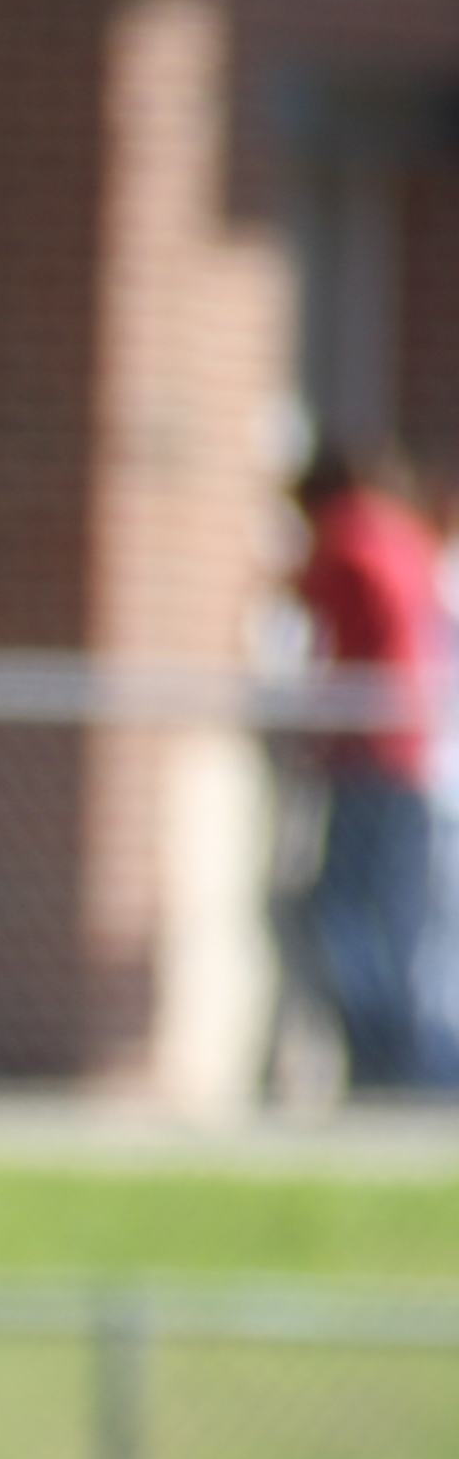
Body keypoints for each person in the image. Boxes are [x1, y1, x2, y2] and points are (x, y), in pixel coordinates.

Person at [288, 439, 453, 1089]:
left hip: (370, 755)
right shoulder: (406, 535)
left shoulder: (350, 537)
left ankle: (380, 1055)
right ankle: (402, 1055)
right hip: (414, 753)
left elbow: (315, 612)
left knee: (341, 909)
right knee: (402, 915)